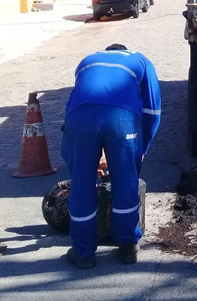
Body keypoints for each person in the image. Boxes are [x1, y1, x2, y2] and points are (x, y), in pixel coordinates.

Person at [61, 44, 161, 268]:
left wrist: (81, 159)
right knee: (126, 181)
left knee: (81, 184)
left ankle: (83, 253)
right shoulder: (140, 60)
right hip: (122, 119)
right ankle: (127, 246)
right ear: (125, 50)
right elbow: (152, 112)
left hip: (79, 119)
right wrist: (141, 149)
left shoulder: (87, 60)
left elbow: (80, 99)